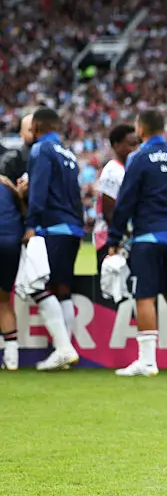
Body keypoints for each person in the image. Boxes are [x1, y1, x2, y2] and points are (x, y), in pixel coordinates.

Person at [106, 109, 167, 376]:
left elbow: (126, 200)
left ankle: (147, 362)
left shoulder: (139, 158)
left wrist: (114, 238)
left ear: (141, 128)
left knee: (145, 296)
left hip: (148, 236)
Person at [23, 107, 83, 371]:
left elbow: (39, 189)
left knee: (37, 286)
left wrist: (30, 224)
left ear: (36, 127)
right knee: (62, 289)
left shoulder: (41, 150)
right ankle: (65, 350)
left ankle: (63, 348)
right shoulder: (68, 154)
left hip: (52, 227)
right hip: (72, 228)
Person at [93, 125, 139, 273]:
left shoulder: (129, 169)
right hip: (111, 241)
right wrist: (127, 235)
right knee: (112, 292)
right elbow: (109, 213)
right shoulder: (113, 171)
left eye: (137, 143)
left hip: (125, 241)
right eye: (131, 144)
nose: (136, 148)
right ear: (117, 145)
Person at [0, 174, 26, 371]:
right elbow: (23, 211)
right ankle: (12, 358)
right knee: (2, 299)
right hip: (11, 242)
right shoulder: (6, 185)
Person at [0, 111, 34, 182]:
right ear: (21, 133)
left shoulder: (49, 156)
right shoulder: (10, 160)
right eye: (30, 130)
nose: (35, 134)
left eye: (38, 130)